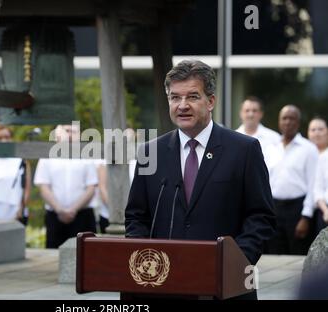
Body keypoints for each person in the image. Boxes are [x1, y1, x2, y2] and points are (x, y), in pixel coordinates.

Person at [125, 60, 276, 299]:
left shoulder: (244, 149)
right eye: (175, 98)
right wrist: (147, 262)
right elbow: (136, 217)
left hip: (226, 286)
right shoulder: (150, 152)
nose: (182, 105)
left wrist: (235, 261)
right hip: (163, 287)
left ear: (211, 101)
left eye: (192, 97)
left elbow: (261, 216)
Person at [263, 106, 319, 255]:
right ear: (279, 122)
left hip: (297, 210)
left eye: (292, 118)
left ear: (298, 122)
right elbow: (265, 181)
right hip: (273, 209)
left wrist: (306, 217)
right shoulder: (270, 148)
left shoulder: (309, 149)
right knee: (273, 256)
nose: (288, 122)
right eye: (284, 118)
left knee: (297, 256)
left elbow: (313, 184)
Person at [34, 124, 98, 248]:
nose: (69, 134)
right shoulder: (46, 156)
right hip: (55, 216)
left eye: (73, 131)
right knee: (53, 254)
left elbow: (91, 188)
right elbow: (43, 187)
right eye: (66, 130)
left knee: (85, 255)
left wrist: (73, 209)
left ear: (79, 135)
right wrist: (60, 210)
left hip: (82, 216)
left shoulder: (87, 157)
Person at [308, 117, 328, 234]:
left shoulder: (325, 157)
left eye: (321, 129)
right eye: (313, 129)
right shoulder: (304, 153)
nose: (317, 133)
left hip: (323, 211)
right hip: (307, 211)